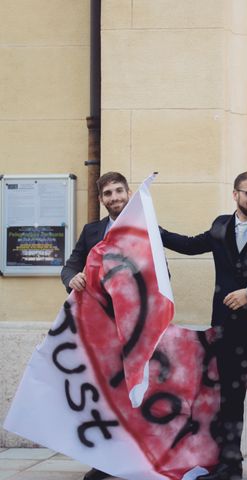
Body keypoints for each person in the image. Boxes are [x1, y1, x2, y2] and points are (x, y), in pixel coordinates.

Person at [160, 171, 247, 480]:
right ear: (235, 194)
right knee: (230, 401)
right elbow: (188, 245)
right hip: (227, 331)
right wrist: (151, 229)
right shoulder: (220, 227)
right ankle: (229, 468)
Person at [61, 171, 131, 480]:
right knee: (103, 396)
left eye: (119, 191)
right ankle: (105, 463)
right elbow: (71, 266)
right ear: (102, 200)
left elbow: (162, 276)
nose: (115, 197)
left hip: (134, 328)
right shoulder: (92, 231)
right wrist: (72, 279)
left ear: (128, 193)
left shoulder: (143, 228)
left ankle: (133, 457)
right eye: (108, 194)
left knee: (132, 396)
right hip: (99, 330)